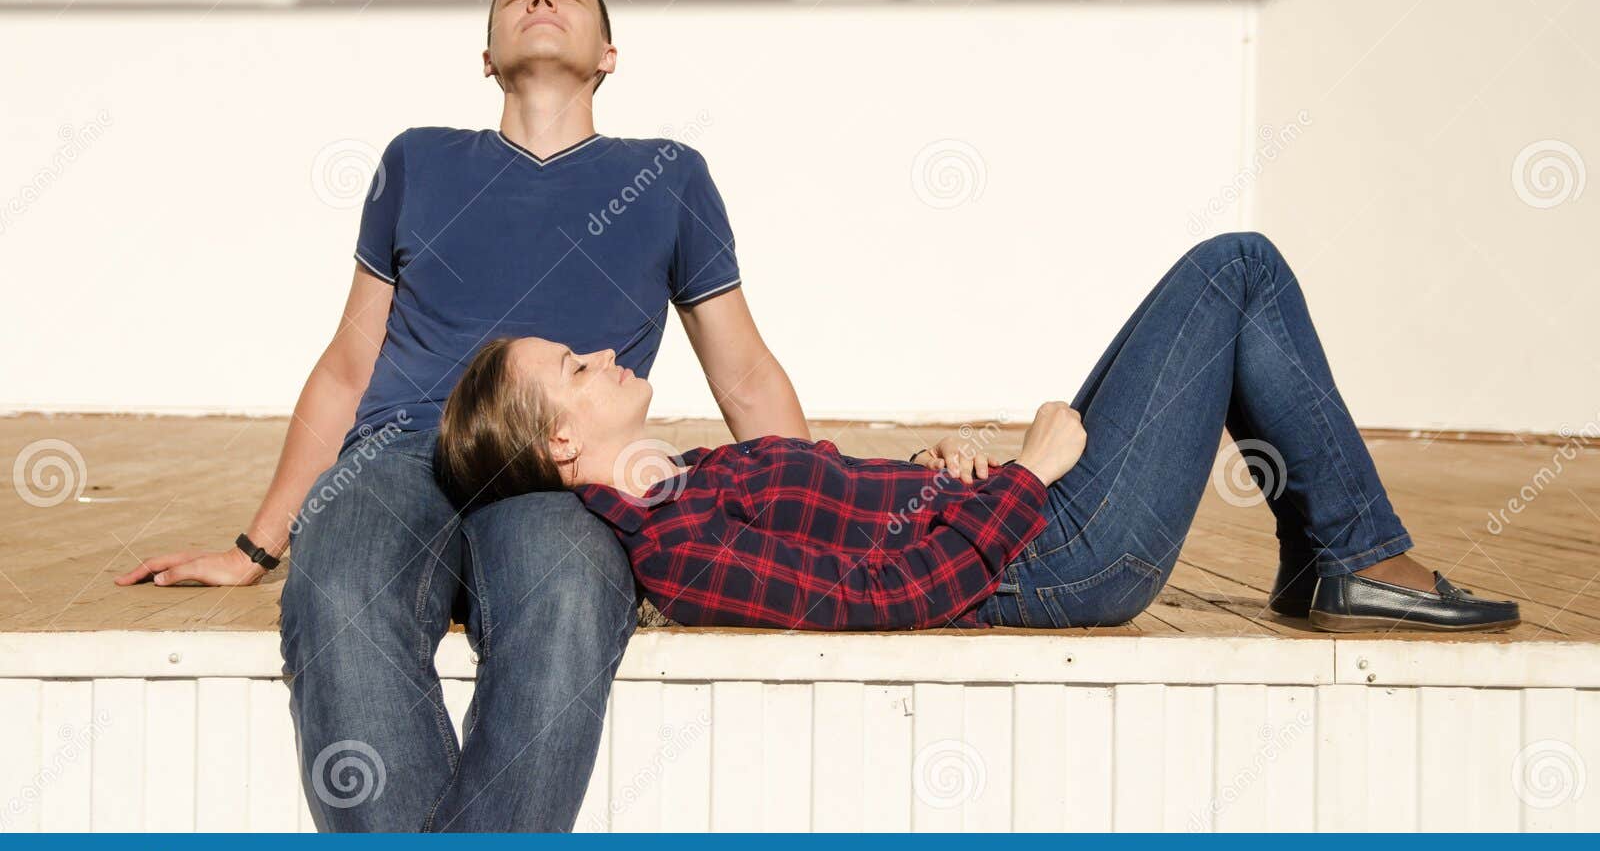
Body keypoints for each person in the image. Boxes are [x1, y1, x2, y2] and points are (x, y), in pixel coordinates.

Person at [114, 0, 809, 831]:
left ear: (609, 54)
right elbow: (346, 364)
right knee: (336, 595)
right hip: (403, 449)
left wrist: (812, 528)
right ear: (487, 56)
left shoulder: (670, 175)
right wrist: (256, 547)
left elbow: (743, 372)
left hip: (559, 467)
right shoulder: (419, 161)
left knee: (563, 606)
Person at [435, 231, 1520, 634]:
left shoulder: (684, 480)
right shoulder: (674, 543)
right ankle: (1352, 554)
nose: (600, 352)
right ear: (562, 446)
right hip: (1065, 557)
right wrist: (1028, 482)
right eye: (572, 369)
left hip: (1022, 520)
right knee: (1234, 271)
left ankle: (1330, 559)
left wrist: (937, 474)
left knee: (1232, 276)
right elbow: (876, 601)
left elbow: (855, 532)